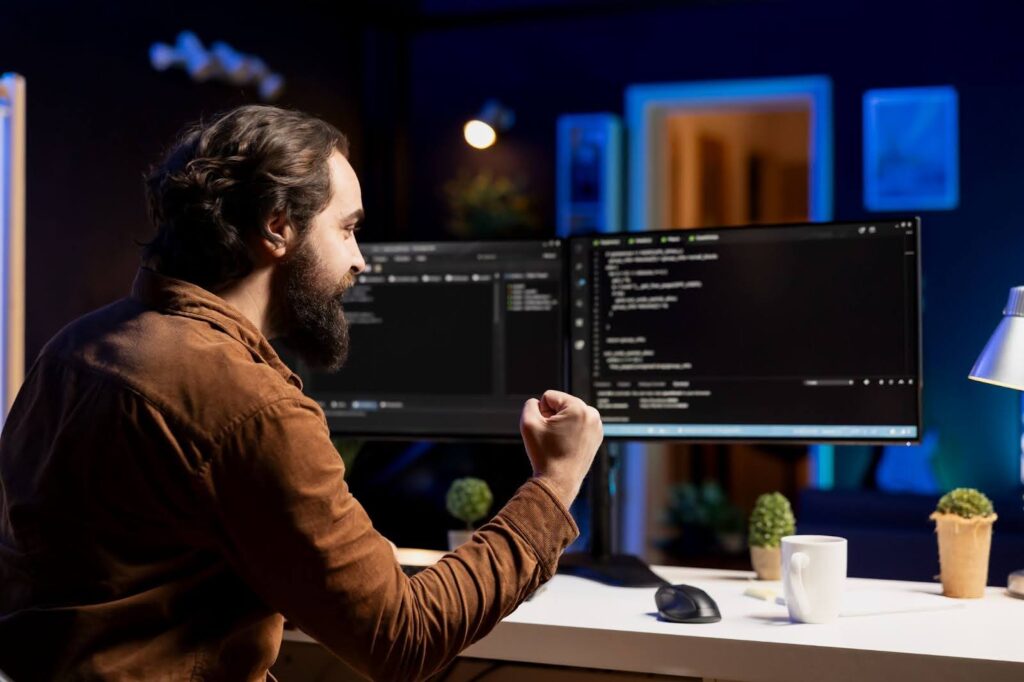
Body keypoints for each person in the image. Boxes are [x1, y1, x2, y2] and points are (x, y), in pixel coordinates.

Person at [0, 105, 603, 681]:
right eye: (347, 230)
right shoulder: (251, 406)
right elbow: (405, 636)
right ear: (278, 226)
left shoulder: (75, 346)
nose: (361, 261)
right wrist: (555, 484)